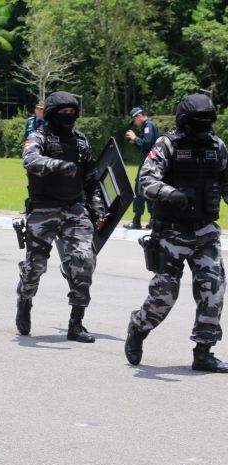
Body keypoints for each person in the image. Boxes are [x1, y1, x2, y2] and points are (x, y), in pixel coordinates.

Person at [124, 93, 228, 373]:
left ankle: (204, 352)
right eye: (198, 121)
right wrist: (173, 194)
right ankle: (138, 326)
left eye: (207, 120)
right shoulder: (167, 144)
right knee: (165, 295)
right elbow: (146, 181)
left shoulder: (216, 147)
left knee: (213, 291)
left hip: (205, 231)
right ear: (185, 120)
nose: (203, 126)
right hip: (171, 232)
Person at [15, 91, 107, 342]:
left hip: (75, 209)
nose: (68, 117)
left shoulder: (80, 142)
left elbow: (91, 180)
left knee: (84, 262)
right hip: (44, 208)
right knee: (35, 268)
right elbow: (30, 160)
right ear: (52, 114)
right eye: (63, 113)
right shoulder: (38, 137)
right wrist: (58, 165)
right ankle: (24, 301)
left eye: (72, 113)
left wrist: (98, 209)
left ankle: (76, 323)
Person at [123, 106, 161, 229]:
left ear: (139, 116)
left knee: (140, 189)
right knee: (149, 189)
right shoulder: (148, 126)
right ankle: (153, 220)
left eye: (134, 120)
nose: (134, 123)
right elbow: (144, 145)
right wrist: (135, 142)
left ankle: (136, 221)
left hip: (148, 163)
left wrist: (135, 138)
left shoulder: (148, 126)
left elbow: (147, 143)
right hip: (151, 163)